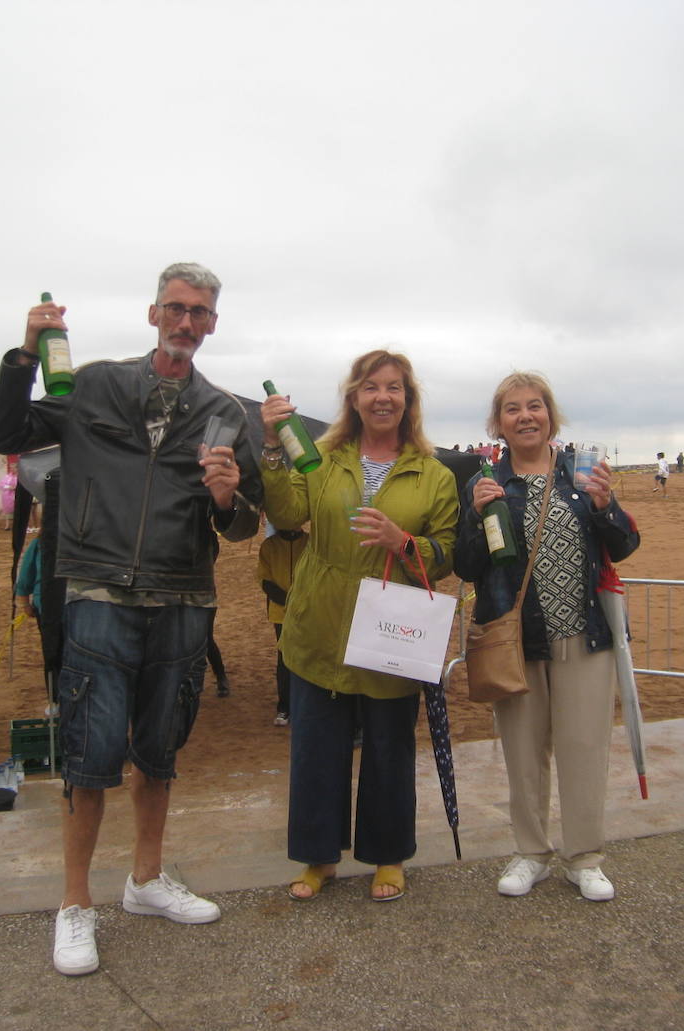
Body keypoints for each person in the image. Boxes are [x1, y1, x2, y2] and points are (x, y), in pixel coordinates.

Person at [0, 261, 262, 978]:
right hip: (100, 590)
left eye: (200, 312)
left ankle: (145, 880)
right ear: (152, 313)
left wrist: (230, 499)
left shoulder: (227, 411)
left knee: (159, 752)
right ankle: (76, 903)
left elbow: (241, 527)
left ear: (212, 324)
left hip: (182, 598)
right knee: (90, 753)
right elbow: (4, 432)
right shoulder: (94, 384)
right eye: (176, 307)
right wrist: (23, 355)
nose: (186, 322)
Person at [260, 350, 457, 903]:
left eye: (394, 388)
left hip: (393, 629)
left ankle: (388, 856)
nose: (383, 397)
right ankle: (318, 856)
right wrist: (273, 448)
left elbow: (445, 552)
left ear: (408, 400)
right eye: (371, 387)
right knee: (317, 749)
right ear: (353, 397)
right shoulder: (321, 459)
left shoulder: (433, 472)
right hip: (320, 624)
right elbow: (286, 514)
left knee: (390, 748)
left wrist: (406, 543)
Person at [455, 371, 640, 901]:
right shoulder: (484, 482)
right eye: (512, 409)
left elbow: (625, 544)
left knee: (585, 749)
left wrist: (607, 507)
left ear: (550, 416)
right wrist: (474, 515)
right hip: (515, 641)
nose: (525, 416)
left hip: (584, 638)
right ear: (498, 424)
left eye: (534, 406)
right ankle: (531, 853)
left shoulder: (582, 475)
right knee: (522, 752)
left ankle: (584, 857)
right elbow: (468, 565)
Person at [257, 517, 309, 726]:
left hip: (307, 610)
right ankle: (284, 706)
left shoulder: (309, 543)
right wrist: (289, 600)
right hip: (280, 612)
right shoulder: (269, 546)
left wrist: (301, 600)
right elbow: (265, 580)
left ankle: (304, 704)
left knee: (306, 657)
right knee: (284, 658)